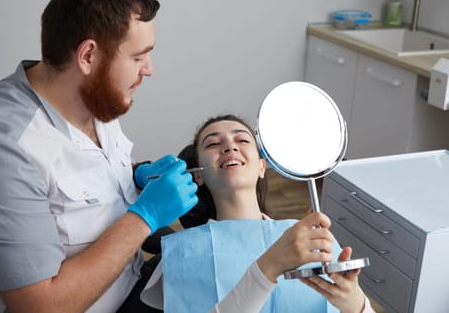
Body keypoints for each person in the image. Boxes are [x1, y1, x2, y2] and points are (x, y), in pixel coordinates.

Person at [0, 0, 198, 312]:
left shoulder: (92, 97)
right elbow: (43, 306)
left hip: (128, 286)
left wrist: (133, 179)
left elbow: (71, 187)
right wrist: (144, 216)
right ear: (88, 56)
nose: (148, 69)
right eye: (138, 56)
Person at [141, 114, 374, 313]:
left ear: (262, 166)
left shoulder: (310, 237)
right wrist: (268, 268)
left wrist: (356, 304)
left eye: (242, 139)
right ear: (198, 175)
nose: (230, 147)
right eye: (212, 144)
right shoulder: (182, 252)